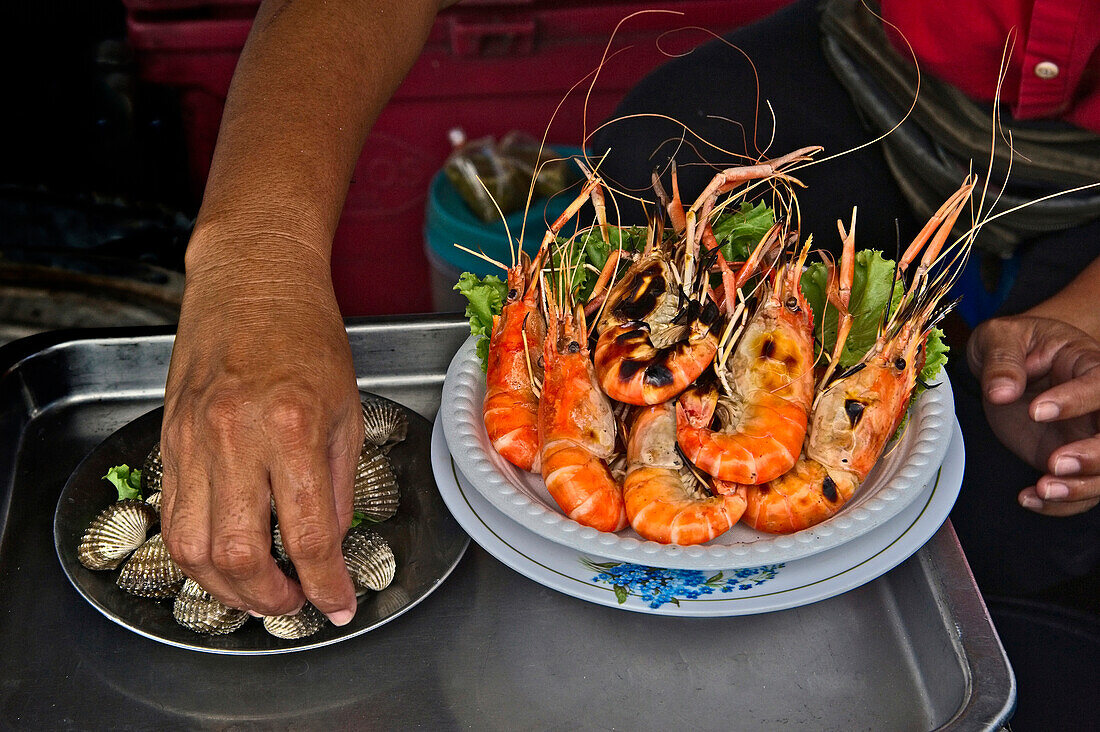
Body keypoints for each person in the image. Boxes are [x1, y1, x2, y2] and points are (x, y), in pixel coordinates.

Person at [159, 0, 1100, 630]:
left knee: (1018, 535)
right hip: (873, 67)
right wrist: (255, 263)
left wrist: (1088, 318)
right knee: (653, 153)